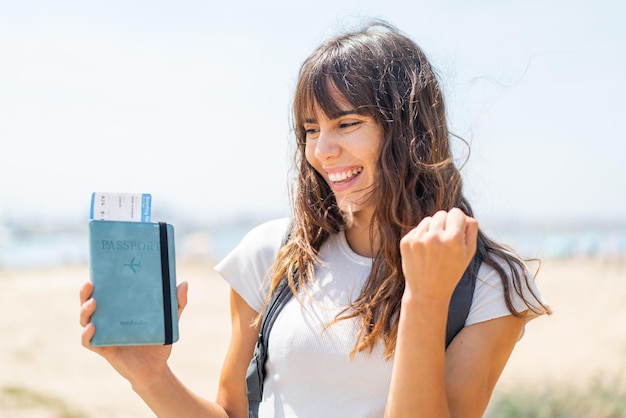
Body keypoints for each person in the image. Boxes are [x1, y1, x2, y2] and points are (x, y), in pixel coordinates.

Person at [79, 20, 550, 418]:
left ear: (409, 129)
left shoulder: (487, 283)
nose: (322, 151)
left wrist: (424, 298)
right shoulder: (273, 253)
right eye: (310, 130)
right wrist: (150, 377)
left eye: (346, 124)